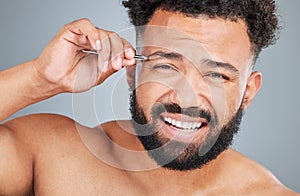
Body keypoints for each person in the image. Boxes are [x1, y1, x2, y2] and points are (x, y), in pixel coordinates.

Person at [0, 0, 298, 195]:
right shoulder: (50, 154)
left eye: (217, 75)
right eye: (167, 66)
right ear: (133, 72)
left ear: (248, 92)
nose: (186, 100)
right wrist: (40, 79)